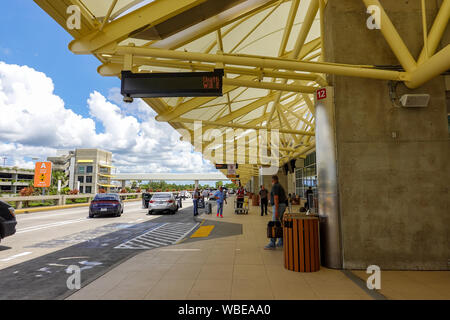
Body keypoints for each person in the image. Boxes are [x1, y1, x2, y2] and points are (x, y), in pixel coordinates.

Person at [265, 175, 287, 250]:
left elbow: (276, 198)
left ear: (273, 180)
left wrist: (276, 211)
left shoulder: (275, 186)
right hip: (282, 205)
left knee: (274, 224)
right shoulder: (280, 186)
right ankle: (281, 241)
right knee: (279, 224)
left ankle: (272, 243)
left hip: (278, 206)